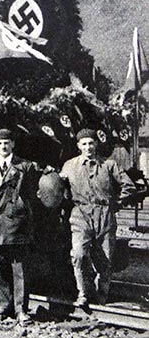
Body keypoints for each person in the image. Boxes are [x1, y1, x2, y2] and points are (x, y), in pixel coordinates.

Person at [60, 128, 135, 306]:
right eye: (84, 144)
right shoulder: (69, 166)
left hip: (105, 215)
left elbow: (129, 186)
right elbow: (58, 188)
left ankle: (102, 295)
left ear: (96, 144)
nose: (88, 147)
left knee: (105, 259)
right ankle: (83, 293)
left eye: (91, 143)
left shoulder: (109, 165)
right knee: (78, 254)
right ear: (78, 146)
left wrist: (116, 204)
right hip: (80, 215)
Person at [0, 129, 38, 324]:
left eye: (7, 142)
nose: (3, 146)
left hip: (16, 222)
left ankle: (21, 309)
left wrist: (20, 211)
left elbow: (30, 195)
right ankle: (4, 305)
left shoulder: (25, 166)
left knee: (19, 269)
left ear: (13, 144)